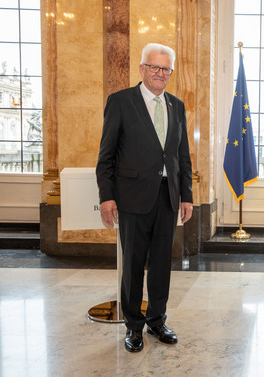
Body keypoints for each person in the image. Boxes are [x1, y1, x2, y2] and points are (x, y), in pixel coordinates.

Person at [96, 43, 193, 353]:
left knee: (162, 264)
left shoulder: (176, 106)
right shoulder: (121, 102)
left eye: (166, 69)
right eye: (154, 67)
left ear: (171, 73)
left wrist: (187, 196)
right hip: (132, 198)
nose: (160, 73)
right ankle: (134, 327)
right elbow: (106, 156)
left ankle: (157, 320)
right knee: (133, 265)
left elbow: (182, 156)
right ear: (142, 69)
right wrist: (107, 197)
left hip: (168, 198)